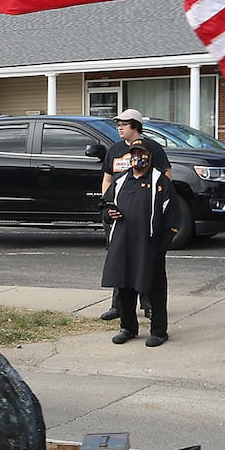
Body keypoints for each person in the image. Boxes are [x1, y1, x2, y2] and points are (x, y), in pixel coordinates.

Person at [102, 142, 180, 347]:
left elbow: (173, 218)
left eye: (141, 153)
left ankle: (159, 331)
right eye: (134, 154)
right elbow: (105, 209)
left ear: (149, 156)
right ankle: (127, 327)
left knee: (154, 288)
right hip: (123, 244)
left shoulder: (160, 182)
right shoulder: (120, 181)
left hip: (149, 245)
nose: (137, 157)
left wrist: (160, 246)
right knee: (125, 286)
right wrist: (109, 214)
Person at [98, 109, 170, 321]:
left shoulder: (152, 148)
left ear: (135, 126)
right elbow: (108, 179)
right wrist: (109, 204)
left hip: (143, 217)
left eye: (124, 124)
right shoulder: (115, 149)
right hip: (120, 218)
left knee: (144, 262)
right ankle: (118, 306)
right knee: (120, 261)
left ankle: (147, 305)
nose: (119, 127)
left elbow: (165, 177)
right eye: (118, 124)